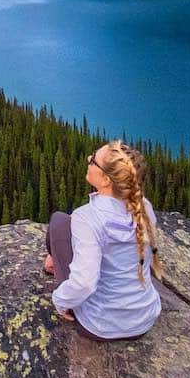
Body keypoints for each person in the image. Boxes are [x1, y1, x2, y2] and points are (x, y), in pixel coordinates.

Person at [44, 140, 162, 339]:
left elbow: (85, 283)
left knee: (58, 221)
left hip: (100, 325)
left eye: (93, 161)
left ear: (106, 179)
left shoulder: (87, 217)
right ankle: (52, 260)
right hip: (144, 320)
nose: (88, 159)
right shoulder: (144, 207)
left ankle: (53, 261)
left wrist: (60, 301)